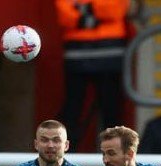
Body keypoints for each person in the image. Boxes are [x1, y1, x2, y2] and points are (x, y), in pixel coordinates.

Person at [55, 0, 129, 150]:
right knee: (72, 109)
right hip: (76, 54)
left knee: (111, 109)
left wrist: (84, 8)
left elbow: (115, 10)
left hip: (110, 53)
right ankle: (63, 155)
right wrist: (98, 12)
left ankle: (114, 153)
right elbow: (65, 16)